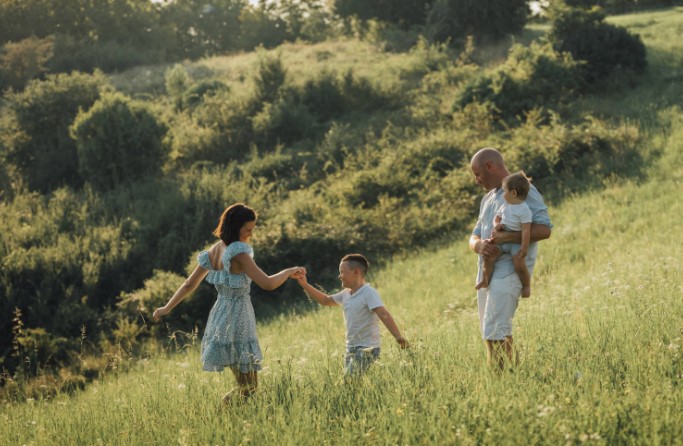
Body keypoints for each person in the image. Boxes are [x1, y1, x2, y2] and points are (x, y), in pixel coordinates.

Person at [153, 203, 304, 403]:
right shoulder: (239, 252)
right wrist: (287, 271)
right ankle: (220, 414)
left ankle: (227, 417)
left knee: (246, 386)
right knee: (249, 387)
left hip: (220, 315)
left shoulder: (215, 250)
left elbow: (189, 284)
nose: (250, 233)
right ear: (235, 226)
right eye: (248, 229)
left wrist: (166, 307)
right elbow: (267, 284)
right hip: (238, 317)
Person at [468, 148, 552, 370]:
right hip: (486, 272)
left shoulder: (523, 189)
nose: (476, 180)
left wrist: (507, 236)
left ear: (490, 166)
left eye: (477, 174)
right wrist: (478, 245)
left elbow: (544, 229)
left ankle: (503, 381)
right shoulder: (487, 199)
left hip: (509, 270)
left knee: (496, 329)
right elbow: (474, 234)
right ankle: (508, 379)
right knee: (491, 332)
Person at [293, 254, 408, 375]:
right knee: (352, 386)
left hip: (367, 348)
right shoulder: (345, 294)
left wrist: (398, 337)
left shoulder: (368, 293)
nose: (339, 276)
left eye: (342, 272)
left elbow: (384, 314)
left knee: (350, 380)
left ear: (356, 272)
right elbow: (325, 300)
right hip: (350, 348)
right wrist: (305, 285)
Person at [475, 172, 533, 298]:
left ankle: (526, 285)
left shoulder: (524, 210)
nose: (503, 194)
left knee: (519, 265)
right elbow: (497, 217)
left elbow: (526, 230)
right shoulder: (506, 205)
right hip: (501, 240)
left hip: (514, 244)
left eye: (505, 191)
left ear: (513, 193)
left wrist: (524, 247)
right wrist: (497, 224)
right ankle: (485, 280)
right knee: (488, 257)